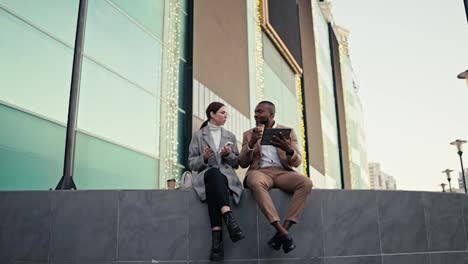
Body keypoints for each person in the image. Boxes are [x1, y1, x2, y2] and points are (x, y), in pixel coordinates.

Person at [239, 101, 313, 254]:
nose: (256, 115)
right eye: (255, 111)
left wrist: (288, 150)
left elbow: (298, 161)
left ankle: (281, 234)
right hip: (260, 171)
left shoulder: (288, 132)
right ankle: (282, 232)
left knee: (306, 183)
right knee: (254, 182)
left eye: (260, 112)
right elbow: (242, 163)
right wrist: (251, 143)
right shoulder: (248, 134)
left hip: (282, 172)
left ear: (271, 115)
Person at [188, 102, 245, 261]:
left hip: (226, 179)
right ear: (212, 114)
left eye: (226, 113)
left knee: (215, 188)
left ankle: (217, 244)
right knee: (213, 174)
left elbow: (236, 164)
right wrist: (204, 158)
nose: (226, 115)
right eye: (222, 112)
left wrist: (228, 154)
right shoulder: (198, 136)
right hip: (206, 175)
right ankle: (229, 218)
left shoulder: (230, 136)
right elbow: (191, 163)